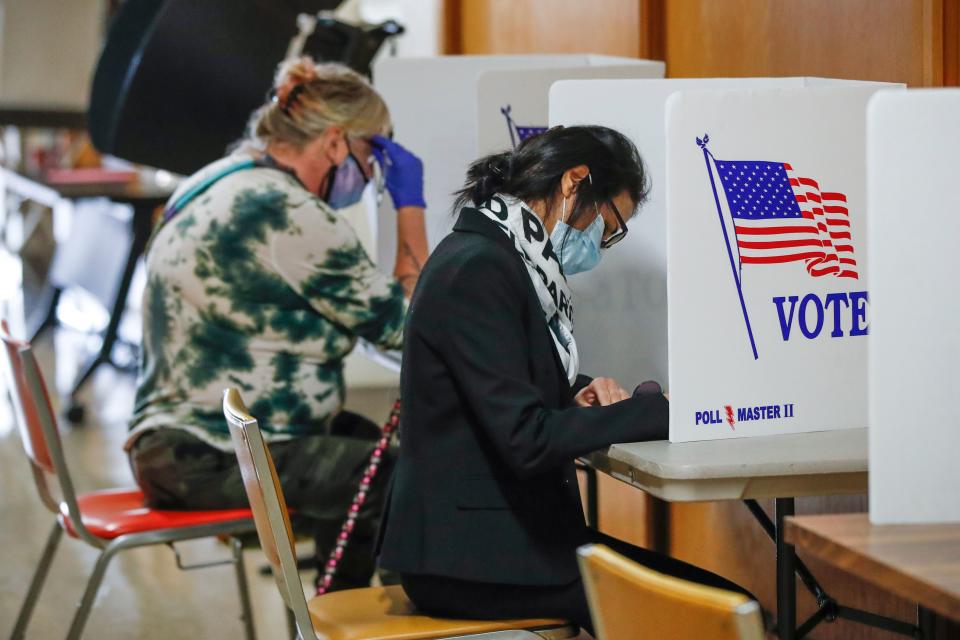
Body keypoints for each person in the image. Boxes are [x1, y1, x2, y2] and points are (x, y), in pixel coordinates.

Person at [376, 125, 751, 633]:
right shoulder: (480, 269)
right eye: (611, 224)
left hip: (492, 543)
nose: (604, 243)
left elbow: (503, 387)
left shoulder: (495, 256)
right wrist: (665, 411)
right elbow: (527, 439)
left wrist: (575, 392)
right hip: (471, 559)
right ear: (575, 183)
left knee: (720, 603)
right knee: (722, 609)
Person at [126, 57, 428, 591]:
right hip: (204, 456)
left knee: (362, 440)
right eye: (370, 155)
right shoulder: (292, 214)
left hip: (170, 445)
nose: (372, 177)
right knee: (397, 479)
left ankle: (332, 610)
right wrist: (410, 207)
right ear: (335, 143)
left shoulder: (215, 179)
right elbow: (415, 328)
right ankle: (343, 621)